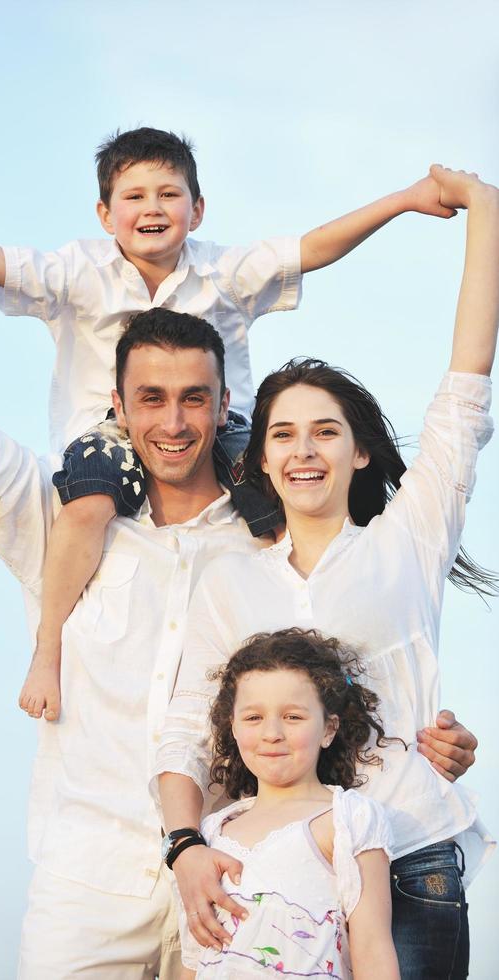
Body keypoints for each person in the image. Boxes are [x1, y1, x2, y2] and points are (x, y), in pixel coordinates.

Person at [0, 194, 478, 978]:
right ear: (118, 406)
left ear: (222, 408)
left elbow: (354, 645)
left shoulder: (268, 541)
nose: (173, 422)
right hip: (90, 883)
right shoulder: (61, 522)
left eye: (193, 400)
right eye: (150, 399)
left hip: (247, 877)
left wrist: (427, 742)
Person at [0, 127, 459, 726]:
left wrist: (404, 200)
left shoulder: (223, 273)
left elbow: (312, 247)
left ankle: (308, 649)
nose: (152, 208)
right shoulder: (79, 272)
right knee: (86, 509)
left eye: (169, 194)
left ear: (197, 209)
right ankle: (46, 648)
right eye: (134, 197)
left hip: (223, 426)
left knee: (277, 523)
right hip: (105, 432)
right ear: (105, 214)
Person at [155, 165, 498, 979]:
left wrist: (485, 211)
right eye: (282, 435)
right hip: (272, 870)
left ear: (361, 450)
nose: (303, 450)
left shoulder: (407, 539)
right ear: (261, 459)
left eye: (324, 432)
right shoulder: (227, 575)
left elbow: (464, 393)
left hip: (411, 853)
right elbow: (187, 725)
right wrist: (183, 849)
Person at [175, 629, 400, 979]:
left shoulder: (348, 819)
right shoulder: (211, 832)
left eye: (293, 717)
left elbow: (373, 950)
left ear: (328, 729)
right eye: (253, 718)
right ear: (232, 727)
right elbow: (194, 957)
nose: (272, 733)